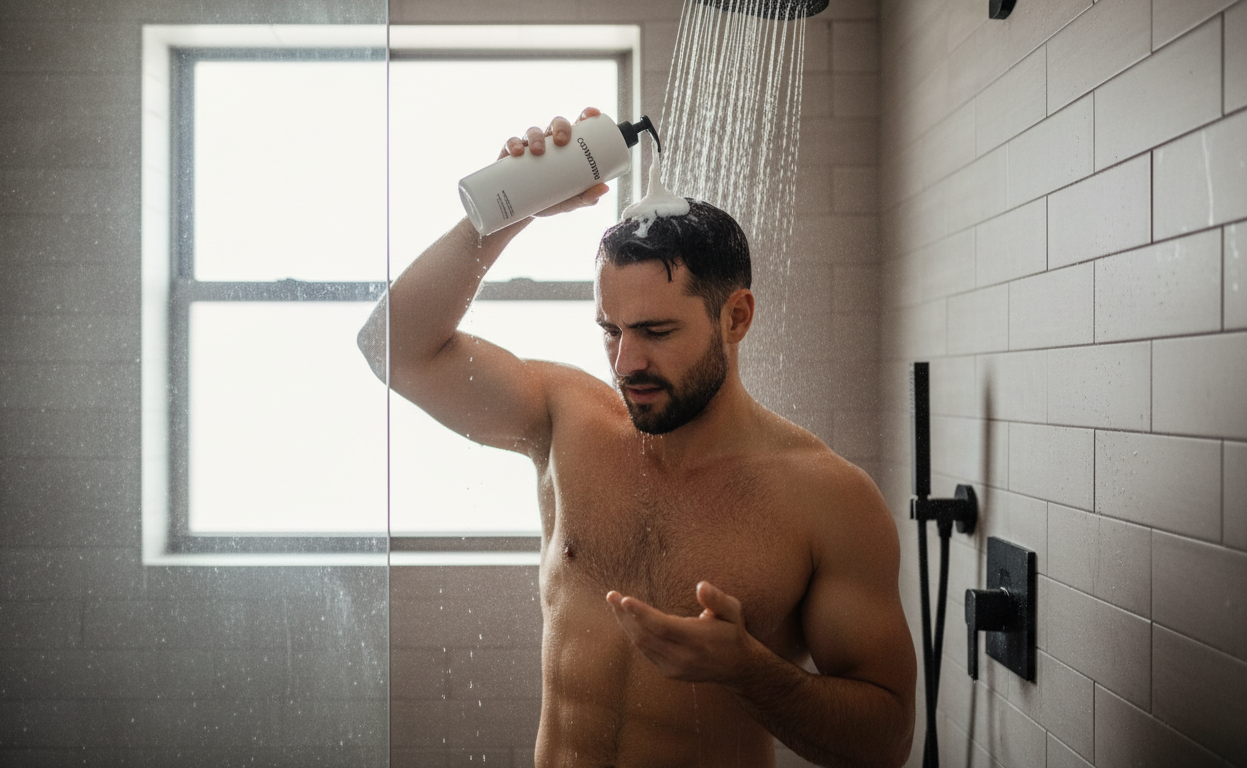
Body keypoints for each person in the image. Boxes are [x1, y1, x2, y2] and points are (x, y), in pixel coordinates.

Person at [358, 107, 916, 768]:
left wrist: (749, 671)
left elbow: (886, 741)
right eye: (610, 330)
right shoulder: (568, 421)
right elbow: (392, 348)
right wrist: (508, 213)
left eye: (655, 332)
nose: (625, 364)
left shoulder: (826, 499)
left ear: (735, 317)